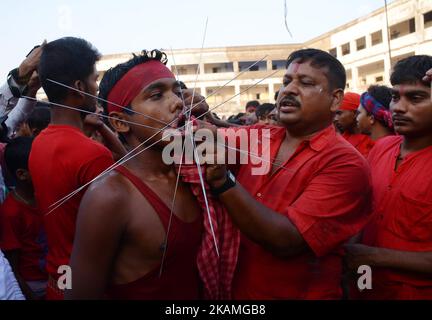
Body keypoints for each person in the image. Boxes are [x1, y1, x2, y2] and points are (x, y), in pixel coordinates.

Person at [204, 48, 372, 299]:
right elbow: (204, 138)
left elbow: (287, 241)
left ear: (335, 100)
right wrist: (183, 113)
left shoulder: (345, 164)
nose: (288, 90)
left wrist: (224, 183)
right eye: (286, 82)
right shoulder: (261, 136)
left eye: (305, 83)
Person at [65, 50, 205, 300]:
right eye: (156, 95)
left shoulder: (194, 175)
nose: (177, 103)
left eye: (177, 91)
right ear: (120, 123)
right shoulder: (109, 197)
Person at [28, 37, 114, 300]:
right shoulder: (93, 154)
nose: (97, 87)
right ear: (79, 87)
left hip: (58, 282)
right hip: (92, 285)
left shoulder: (38, 143)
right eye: (94, 79)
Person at [345, 55, 432, 300]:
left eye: (416, 98)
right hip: (366, 287)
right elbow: (363, 213)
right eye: (395, 97)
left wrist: (373, 256)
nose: (399, 107)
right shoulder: (382, 148)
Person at [0, 137, 47, 299]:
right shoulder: (10, 212)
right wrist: (30, 296)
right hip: (34, 285)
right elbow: (13, 265)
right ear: (21, 174)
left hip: (59, 272)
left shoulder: (47, 195)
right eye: (41, 165)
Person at [334, 92, 374, 157]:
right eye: (334, 114)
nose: (335, 119)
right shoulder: (339, 141)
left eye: (339, 113)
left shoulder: (373, 138)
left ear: (355, 113)